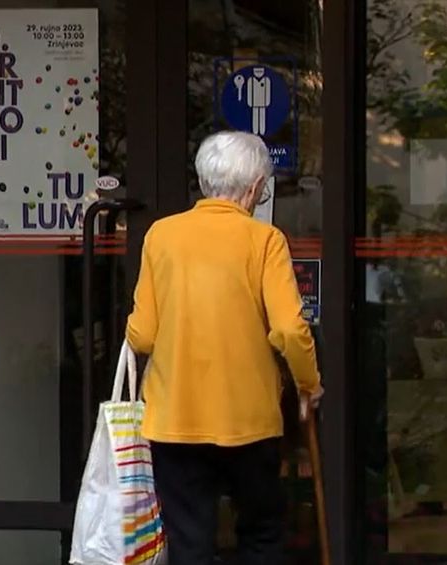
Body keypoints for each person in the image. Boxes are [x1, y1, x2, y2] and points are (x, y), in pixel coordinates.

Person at [126, 131, 324, 565]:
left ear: (203, 181)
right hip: (248, 420)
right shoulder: (264, 240)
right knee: (262, 533)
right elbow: (290, 329)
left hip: (175, 419)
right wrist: (309, 384)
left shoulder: (161, 236)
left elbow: (141, 336)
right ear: (254, 188)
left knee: (189, 543)